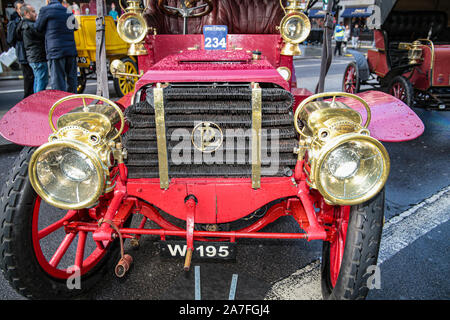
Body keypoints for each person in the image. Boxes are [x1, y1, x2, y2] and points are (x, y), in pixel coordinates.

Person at [35, 0, 78, 93]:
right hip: (70, 49)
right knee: (72, 78)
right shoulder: (67, 10)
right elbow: (76, 27)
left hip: (55, 50)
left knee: (58, 80)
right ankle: (73, 101)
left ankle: (60, 104)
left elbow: (37, 27)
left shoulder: (45, 10)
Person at [6, 0, 34, 98]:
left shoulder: (27, 19)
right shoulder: (13, 22)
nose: (23, 9)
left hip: (31, 52)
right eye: (20, 8)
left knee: (33, 77)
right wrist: (19, 45)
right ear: (16, 9)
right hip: (23, 52)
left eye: (24, 7)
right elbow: (10, 39)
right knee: (28, 77)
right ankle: (27, 98)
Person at [18, 4, 48, 93]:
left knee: (37, 80)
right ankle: (38, 101)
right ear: (26, 13)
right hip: (38, 57)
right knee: (42, 81)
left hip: (33, 57)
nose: (36, 14)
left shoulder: (22, 25)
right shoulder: (31, 26)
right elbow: (43, 36)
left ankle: (35, 100)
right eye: (33, 11)